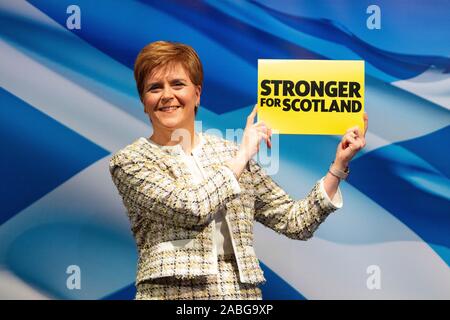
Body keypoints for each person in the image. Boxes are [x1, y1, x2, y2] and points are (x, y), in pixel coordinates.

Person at [109, 41, 368, 300]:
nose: (167, 95)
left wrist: (338, 165)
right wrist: (243, 155)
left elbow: (295, 222)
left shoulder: (231, 154)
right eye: (155, 87)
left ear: (197, 94)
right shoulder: (130, 161)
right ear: (144, 101)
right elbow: (190, 208)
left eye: (177, 84)